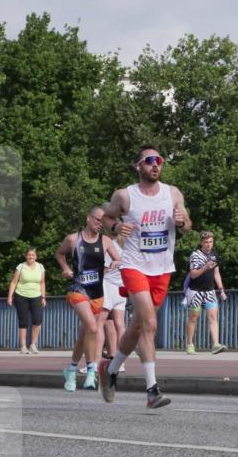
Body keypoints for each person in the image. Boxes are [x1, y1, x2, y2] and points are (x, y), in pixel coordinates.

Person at [99, 146, 192, 409]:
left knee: (138, 326)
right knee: (150, 323)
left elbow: (187, 226)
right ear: (138, 166)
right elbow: (105, 216)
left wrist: (182, 222)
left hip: (162, 269)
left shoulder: (172, 193)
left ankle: (111, 369)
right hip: (133, 266)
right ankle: (152, 390)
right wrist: (116, 226)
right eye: (149, 161)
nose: (155, 165)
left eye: (159, 160)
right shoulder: (125, 196)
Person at [57, 205, 121, 392]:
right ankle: (92, 372)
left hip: (97, 293)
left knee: (84, 334)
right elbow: (59, 254)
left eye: (103, 221)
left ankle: (71, 370)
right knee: (93, 327)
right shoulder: (72, 239)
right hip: (78, 290)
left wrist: (115, 263)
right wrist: (65, 268)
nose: (100, 224)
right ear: (88, 218)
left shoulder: (106, 241)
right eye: (97, 220)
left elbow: (117, 259)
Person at [183, 231, 227, 355]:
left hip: (210, 291)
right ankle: (190, 344)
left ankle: (215, 344)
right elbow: (193, 274)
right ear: (201, 242)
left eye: (211, 242)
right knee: (194, 317)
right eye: (206, 242)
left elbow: (216, 273)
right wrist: (205, 267)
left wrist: (221, 289)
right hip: (195, 291)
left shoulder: (214, 255)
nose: (209, 244)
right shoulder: (195, 255)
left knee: (213, 317)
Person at [7, 247, 46, 354]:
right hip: (21, 295)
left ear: (36, 256)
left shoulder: (41, 267)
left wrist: (43, 297)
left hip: (36, 296)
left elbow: (42, 283)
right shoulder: (21, 266)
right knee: (23, 322)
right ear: (26, 256)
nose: (31, 257)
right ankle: (23, 347)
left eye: (33, 255)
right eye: (29, 255)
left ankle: (33, 345)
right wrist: (10, 296)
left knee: (37, 320)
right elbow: (14, 282)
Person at [100, 225, 127, 370]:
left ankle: (94, 362)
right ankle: (120, 360)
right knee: (119, 323)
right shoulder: (128, 247)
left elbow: (104, 269)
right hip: (122, 286)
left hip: (108, 285)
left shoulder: (110, 246)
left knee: (101, 323)